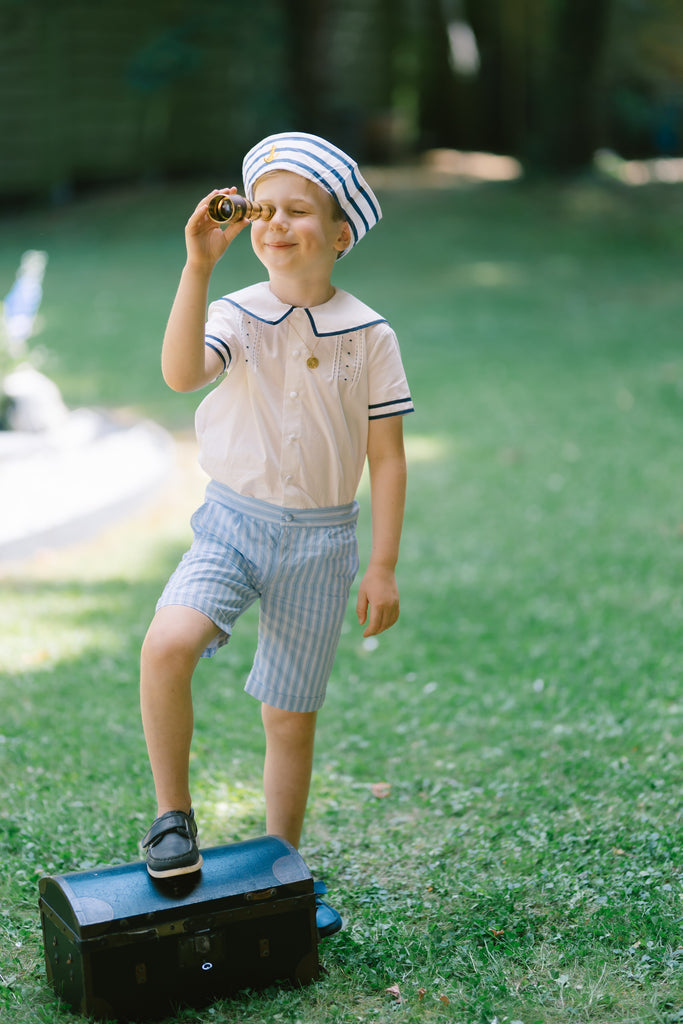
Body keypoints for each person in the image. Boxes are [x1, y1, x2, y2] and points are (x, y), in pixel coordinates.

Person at [139, 132, 413, 937]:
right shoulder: (235, 312)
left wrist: (384, 567)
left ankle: (282, 869)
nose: (276, 224)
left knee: (288, 717)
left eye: (299, 211)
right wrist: (198, 265)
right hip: (231, 522)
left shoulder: (370, 335)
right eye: (264, 209)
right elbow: (182, 374)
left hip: (322, 543)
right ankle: (171, 820)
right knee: (166, 646)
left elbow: (387, 459)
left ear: (338, 234)